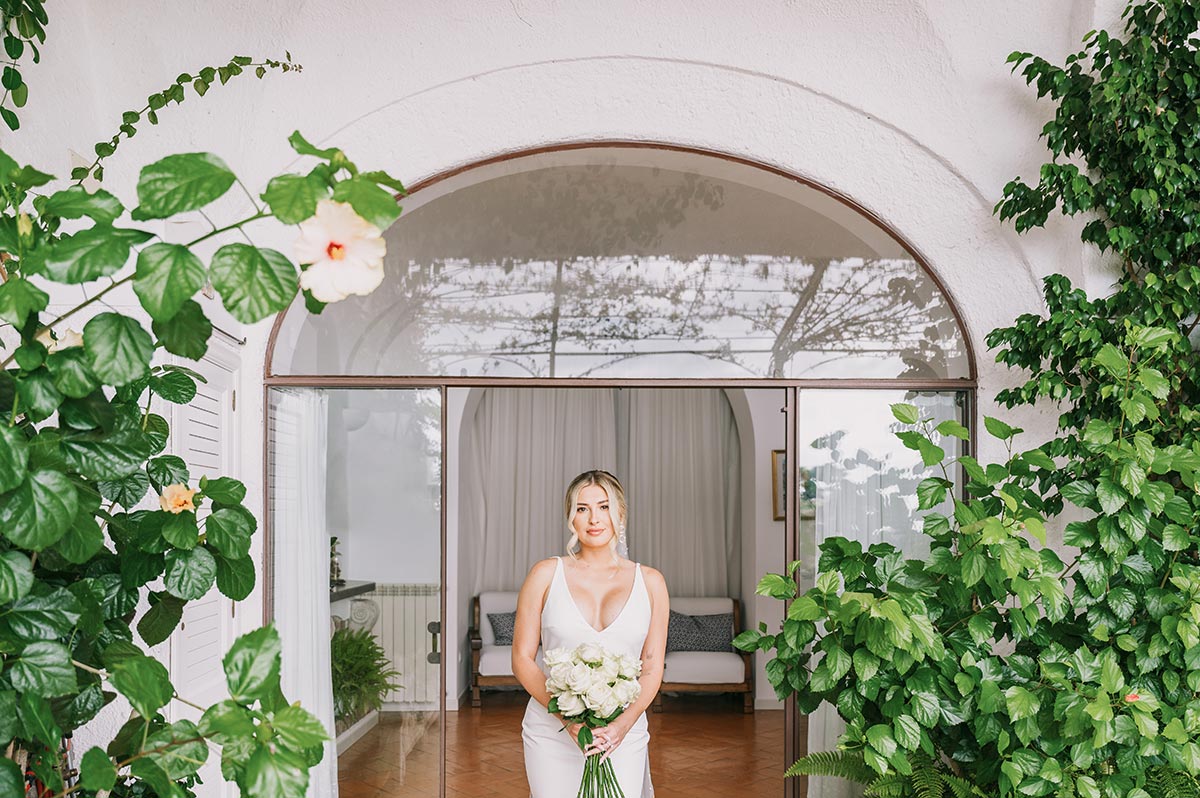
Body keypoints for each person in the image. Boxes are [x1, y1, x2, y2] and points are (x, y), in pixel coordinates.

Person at [513, 470, 670, 797]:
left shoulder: (652, 582)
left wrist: (621, 726)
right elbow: (522, 659)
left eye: (603, 506)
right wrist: (567, 719)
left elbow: (653, 665)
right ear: (570, 517)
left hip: (622, 735)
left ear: (620, 513)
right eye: (582, 508)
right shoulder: (544, 574)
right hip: (551, 731)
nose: (593, 518)